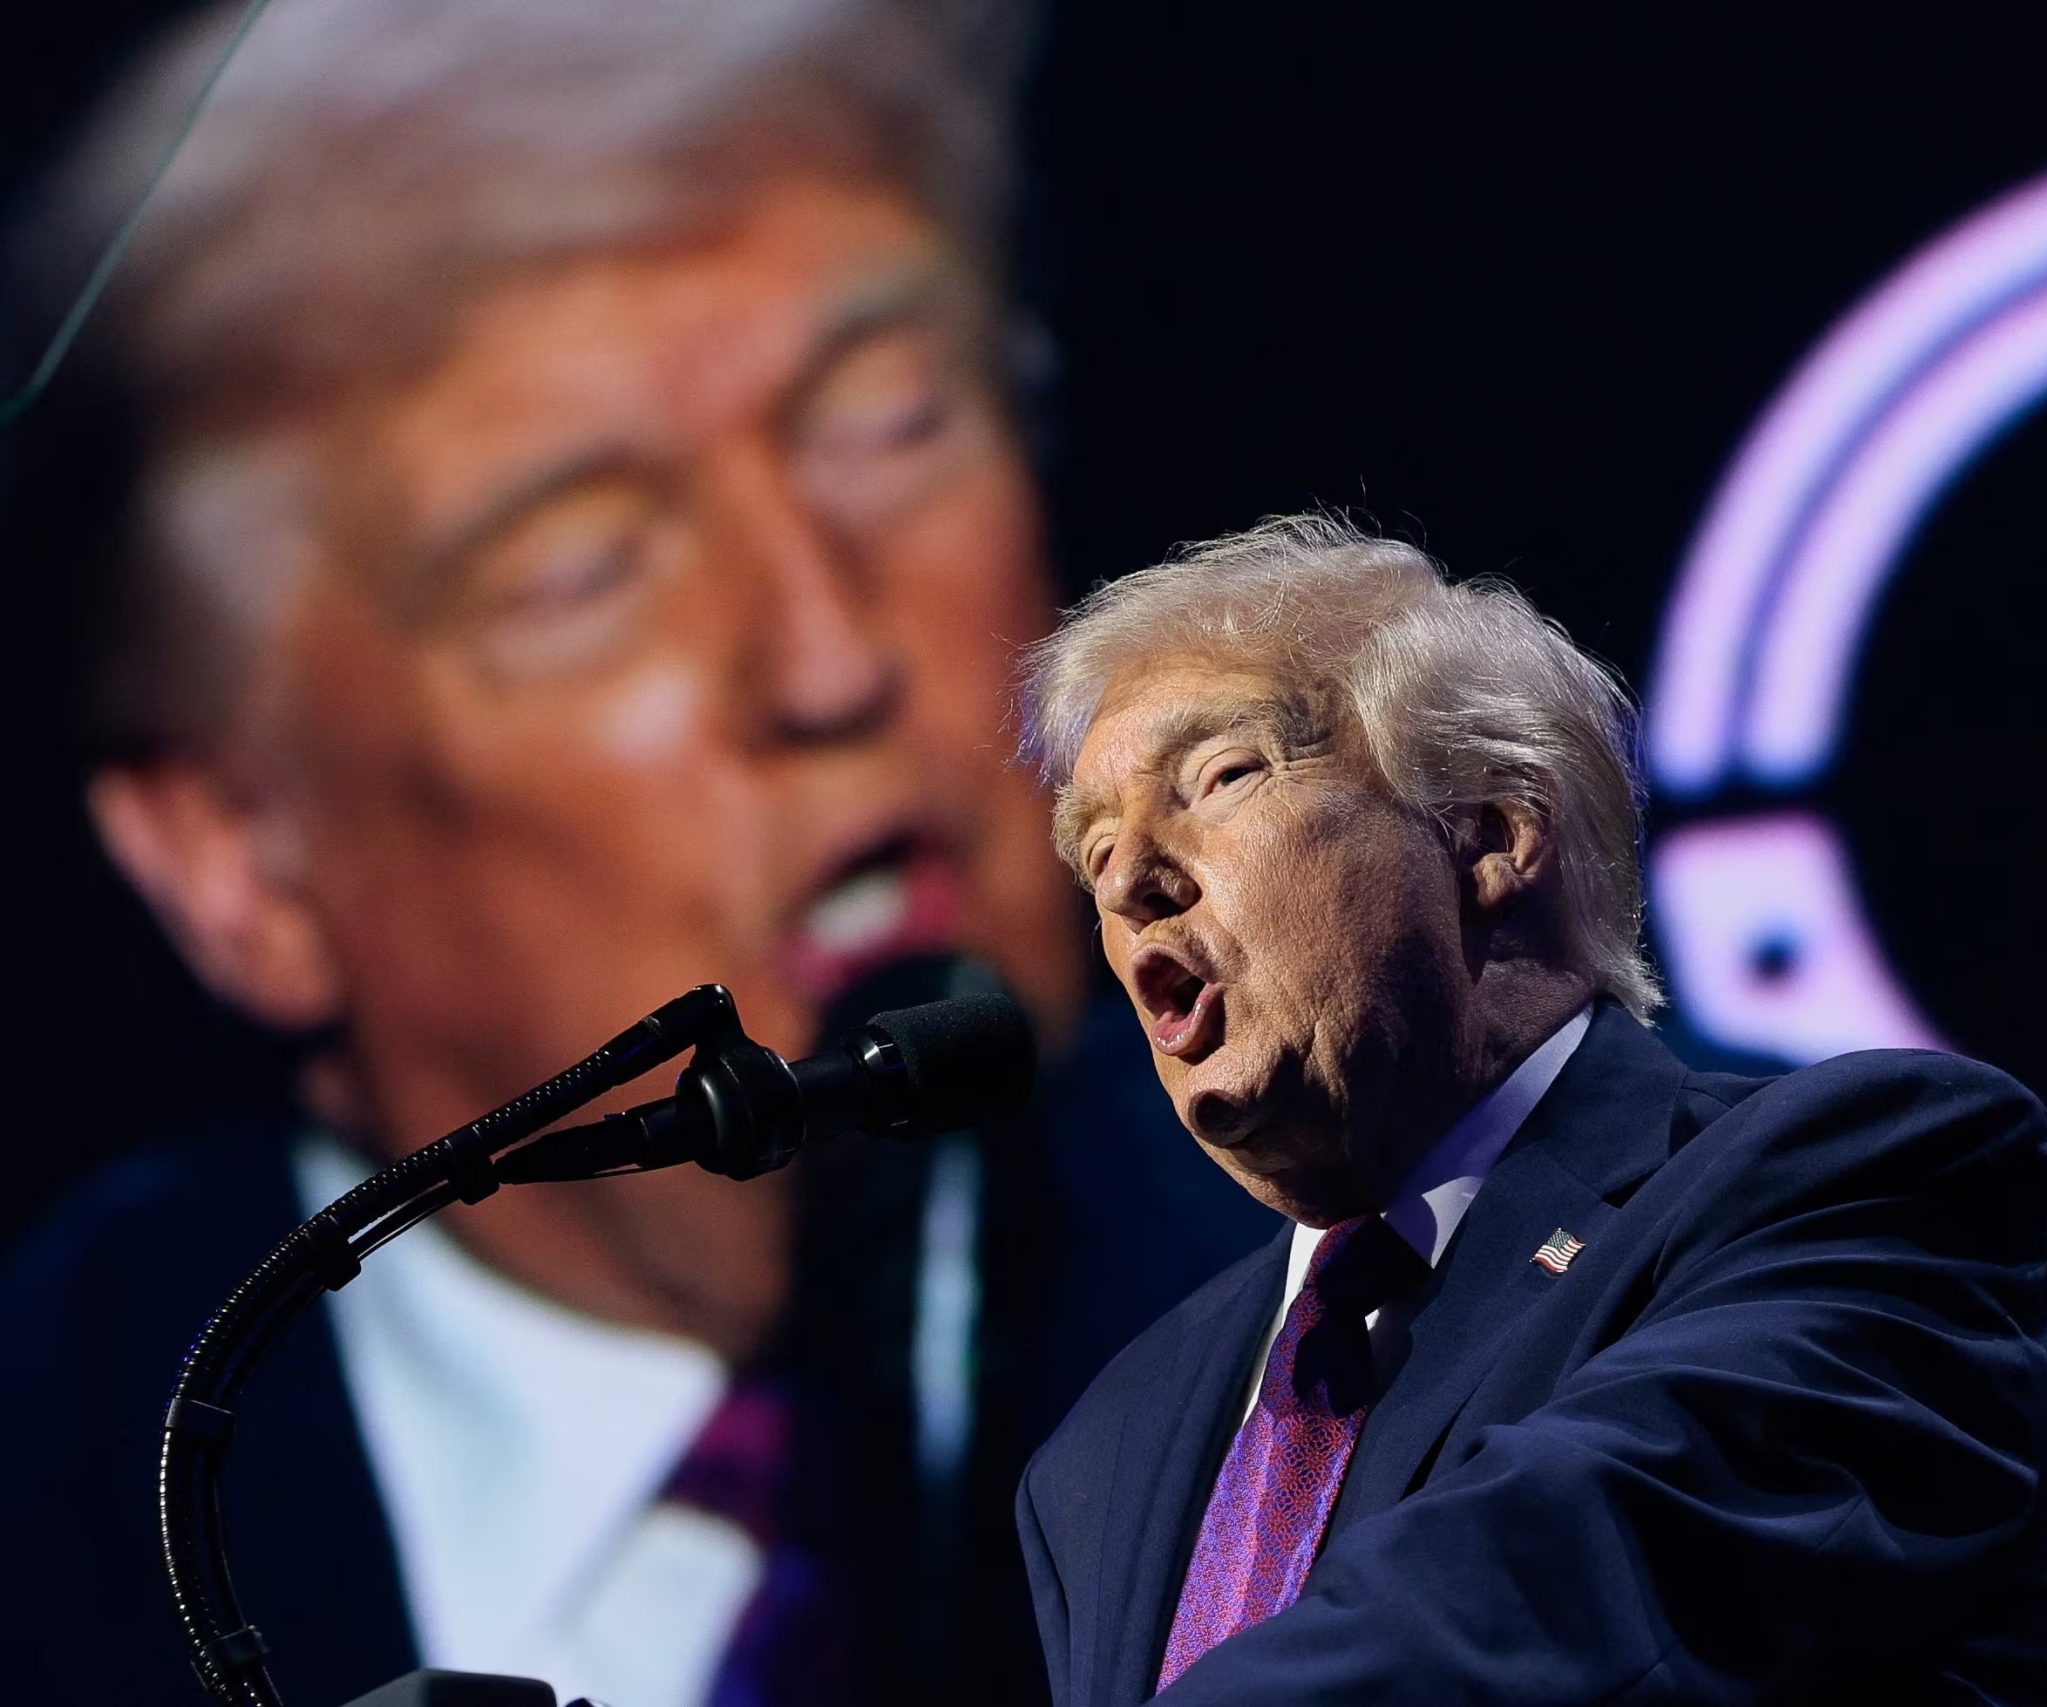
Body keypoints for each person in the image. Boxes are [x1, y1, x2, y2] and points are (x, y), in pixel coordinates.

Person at [0, 3, 1269, 1704]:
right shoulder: (59, 1515)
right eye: (584, 567)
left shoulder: (1477, 1325)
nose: (830, 653)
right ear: (240, 855)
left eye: (892, 426)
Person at [1012, 513, 2047, 1704]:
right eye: (1094, 854)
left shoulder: (1870, 1182)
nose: (1129, 883)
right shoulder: (1105, 1452)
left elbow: (1565, 1583)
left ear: (1488, 835)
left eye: (1220, 778)